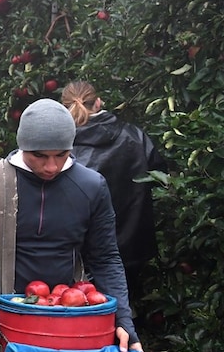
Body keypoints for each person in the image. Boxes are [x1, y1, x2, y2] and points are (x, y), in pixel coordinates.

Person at [0, 98, 141, 352]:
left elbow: (105, 258)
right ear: (22, 145)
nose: (51, 167)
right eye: (39, 155)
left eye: (61, 155)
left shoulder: (91, 186)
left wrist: (123, 322)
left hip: (64, 327)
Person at [61, 80, 168, 305]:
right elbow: (160, 178)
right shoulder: (134, 136)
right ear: (99, 102)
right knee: (123, 313)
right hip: (132, 249)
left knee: (79, 313)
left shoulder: (58, 148)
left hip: (80, 255)